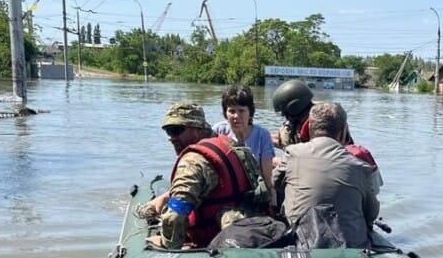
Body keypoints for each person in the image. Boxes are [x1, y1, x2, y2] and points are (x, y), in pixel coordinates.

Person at [138, 102, 269, 249]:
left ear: (197, 129)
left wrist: (167, 245)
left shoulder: (193, 162)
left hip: (214, 243)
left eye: (176, 130)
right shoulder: (231, 145)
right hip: (248, 230)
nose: (171, 138)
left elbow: (175, 214)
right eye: (168, 131)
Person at [278, 101, 378, 249]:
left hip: (303, 244)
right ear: (344, 131)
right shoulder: (360, 167)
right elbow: (372, 213)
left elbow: (275, 184)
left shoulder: (293, 153)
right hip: (351, 249)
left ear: (310, 127)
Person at [213, 85, 276, 213]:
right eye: (231, 111)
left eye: (241, 111)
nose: (236, 116)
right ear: (225, 113)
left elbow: (267, 176)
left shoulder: (262, 135)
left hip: (252, 193)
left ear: (250, 112)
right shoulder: (218, 131)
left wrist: (272, 204)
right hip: (224, 191)